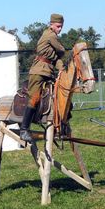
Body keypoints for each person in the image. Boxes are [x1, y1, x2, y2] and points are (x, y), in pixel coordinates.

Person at [19, 13, 66, 143]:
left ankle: (62, 124)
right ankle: (24, 129)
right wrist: (62, 54)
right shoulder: (50, 35)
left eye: (61, 26)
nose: (60, 29)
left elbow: (55, 58)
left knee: (57, 94)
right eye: (58, 26)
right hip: (39, 71)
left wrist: (63, 69)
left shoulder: (51, 39)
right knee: (34, 98)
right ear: (51, 24)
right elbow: (61, 51)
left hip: (48, 72)